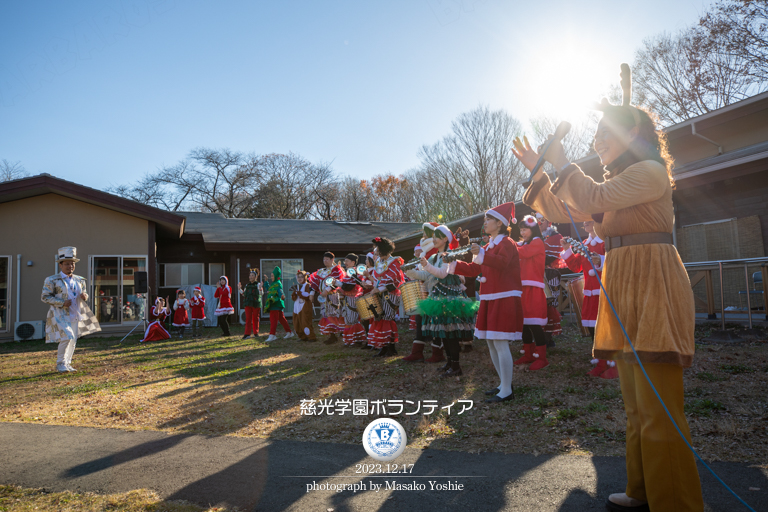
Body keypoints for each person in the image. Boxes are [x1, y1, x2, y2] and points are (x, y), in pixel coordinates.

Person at [513, 63, 703, 511]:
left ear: (632, 135)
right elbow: (569, 211)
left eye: (605, 134)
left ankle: (674, 503)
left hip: (653, 285)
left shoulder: (651, 172)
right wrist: (541, 169)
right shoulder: (620, 182)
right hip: (625, 283)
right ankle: (643, 490)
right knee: (638, 408)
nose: (597, 141)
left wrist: (561, 163)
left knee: (659, 410)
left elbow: (591, 199)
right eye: (595, 134)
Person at [448, 203, 524, 402]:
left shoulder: (507, 243)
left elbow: (501, 263)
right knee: (491, 342)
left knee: (500, 342)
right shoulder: (488, 246)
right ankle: (503, 384)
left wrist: (481, 254)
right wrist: (452, 262)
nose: (485, 223)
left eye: (488, 219)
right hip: (490, 297)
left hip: (504, 296)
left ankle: (507, 390)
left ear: (499, 223)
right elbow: (474, 270)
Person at [418, 225, 478, 377]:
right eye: (433, 236)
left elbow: (442, 274)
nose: (434, 239)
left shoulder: (449, 255)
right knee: (444, 332)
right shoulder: (434, 257)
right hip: (438, 296)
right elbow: (429, 275)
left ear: (445, 238)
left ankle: (456, 366)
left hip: (450, 297)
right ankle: (450, 363)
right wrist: (413, 272)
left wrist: (425, 264)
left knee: (451, 332)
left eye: (437, 236)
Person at [561, 221, 618, 379]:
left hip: (605, 291)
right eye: (584, 221)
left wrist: (601, 259)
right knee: (592, 327)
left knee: (607, 327)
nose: (586, 223)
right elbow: (576, 267)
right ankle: (600, 359)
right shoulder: (583, 244)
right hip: (590, 293)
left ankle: (612, 361)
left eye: (590, 220)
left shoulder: (606, 242)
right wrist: (567, 250)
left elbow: (617, 261)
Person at [41, 247, 101, 372]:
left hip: (75, 312)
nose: (70, 266)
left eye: (72, 263)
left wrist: (85, 296)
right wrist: (61, 302)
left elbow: (84, 293)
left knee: (73, 339)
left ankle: (67, 363)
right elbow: (45, 297)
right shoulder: (52, 280)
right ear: (61, 265)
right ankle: (60, 363)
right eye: (67, 264)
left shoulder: (79, 279)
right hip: (60, 313)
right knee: (67, 337)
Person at [513, 215, 550, 370]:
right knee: (524, 324)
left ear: (533, 229)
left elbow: (523, 252)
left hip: (533, 288)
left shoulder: (537, 242)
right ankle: (528, 354)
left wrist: (507, 244)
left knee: (534, 323)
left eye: (525, 229)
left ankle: (542, 357)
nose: (522, 232)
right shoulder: (523, 244)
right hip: (522, 287)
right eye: (521, 229)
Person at [363, 237, 405, 357]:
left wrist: (379, 289)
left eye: (377, 251)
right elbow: (377, 279)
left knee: (387, 318)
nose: (376, 253)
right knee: (380, 318)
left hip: (390, 295)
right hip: (380, 293)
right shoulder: (379, 262)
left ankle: (390, 348)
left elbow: (394, 281)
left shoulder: (395, 262)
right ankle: (384, 346)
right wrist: (371, 285)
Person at [309, 252, 345, 344]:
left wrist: (327, 290)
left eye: (327, 259)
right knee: (325, 314)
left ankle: (335, 335)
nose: (325, 261)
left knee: (332, 314)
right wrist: (312, 293)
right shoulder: (321, 271)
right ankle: (331, 335)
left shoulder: (336, 269)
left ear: (332, 260)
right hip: (323, 297)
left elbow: (338, 281)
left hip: (332, 295)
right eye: (324, 259)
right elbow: (315, 283)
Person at [336, 254, 366, 346]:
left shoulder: (355, 272)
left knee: (353, 319)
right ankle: (350, 340)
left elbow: (349, 287)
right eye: (345, 261)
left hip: (353, 298)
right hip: (348, 298)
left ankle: (357, 340)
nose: (345, 263)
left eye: (347, 261)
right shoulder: (349, 272)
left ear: (353, 262)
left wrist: (338, 283)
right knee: (348, 319)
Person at [264, 266, 294, 341]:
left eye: (272, 276)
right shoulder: (273, 284)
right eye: (271, 276)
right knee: (282, 319)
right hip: (276, 305)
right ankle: (289, 332)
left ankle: (272, 335)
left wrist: (282, 296)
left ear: (276, 275)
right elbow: (269, 289)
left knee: (273, 320)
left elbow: (280, 291)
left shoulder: (277, 283)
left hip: (275, 304)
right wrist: (266, 282)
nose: (271, 277)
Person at [292, 270, 316, 341]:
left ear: (305, 277)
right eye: (298, 277)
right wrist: (294, 295)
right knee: (297, 322)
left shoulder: (307, 285)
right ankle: (302, 336)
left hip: (304, 307)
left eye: (301, 277)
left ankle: (311, 337)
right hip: (297, 307)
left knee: (305, 322)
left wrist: (299, 293)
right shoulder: (297, 286)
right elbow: (294, 297)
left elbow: (308, 295)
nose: (300, 278)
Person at [238, 271, 263, 339]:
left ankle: (256, 333)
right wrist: (239, 289)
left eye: (252, 275)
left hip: (256, 304)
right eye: (250, 275)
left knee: (255, 318)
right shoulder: (247, 285)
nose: (251, 277)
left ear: (255, 277)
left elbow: (261, 294)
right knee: (248, 319)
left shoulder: (258, 284)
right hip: (248, 303)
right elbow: (244, 294)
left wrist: (260, 288)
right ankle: (247, 334)